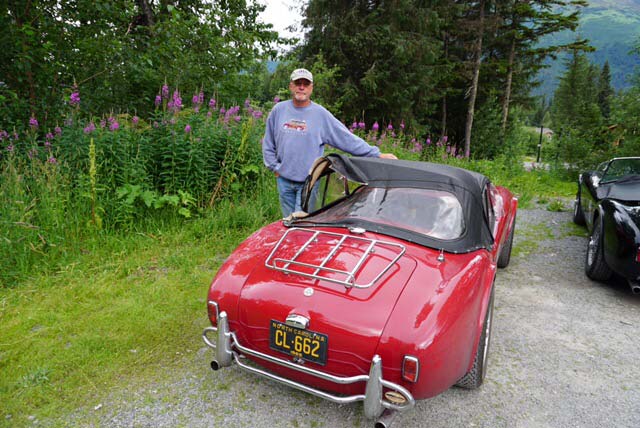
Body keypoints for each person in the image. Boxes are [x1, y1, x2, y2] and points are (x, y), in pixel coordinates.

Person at [262, 68, 397, 217]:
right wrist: (274, 167)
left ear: (311, 88)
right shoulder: (279, 110)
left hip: (309, 182)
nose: (301, 87)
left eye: (305, 84)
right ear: (291, 86)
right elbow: (268, 143)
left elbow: (346, 138)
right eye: (297, 83)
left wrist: (376, 154)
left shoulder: (320, 115)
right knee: (287, 222)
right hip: (284, 181)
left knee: (304, 223)